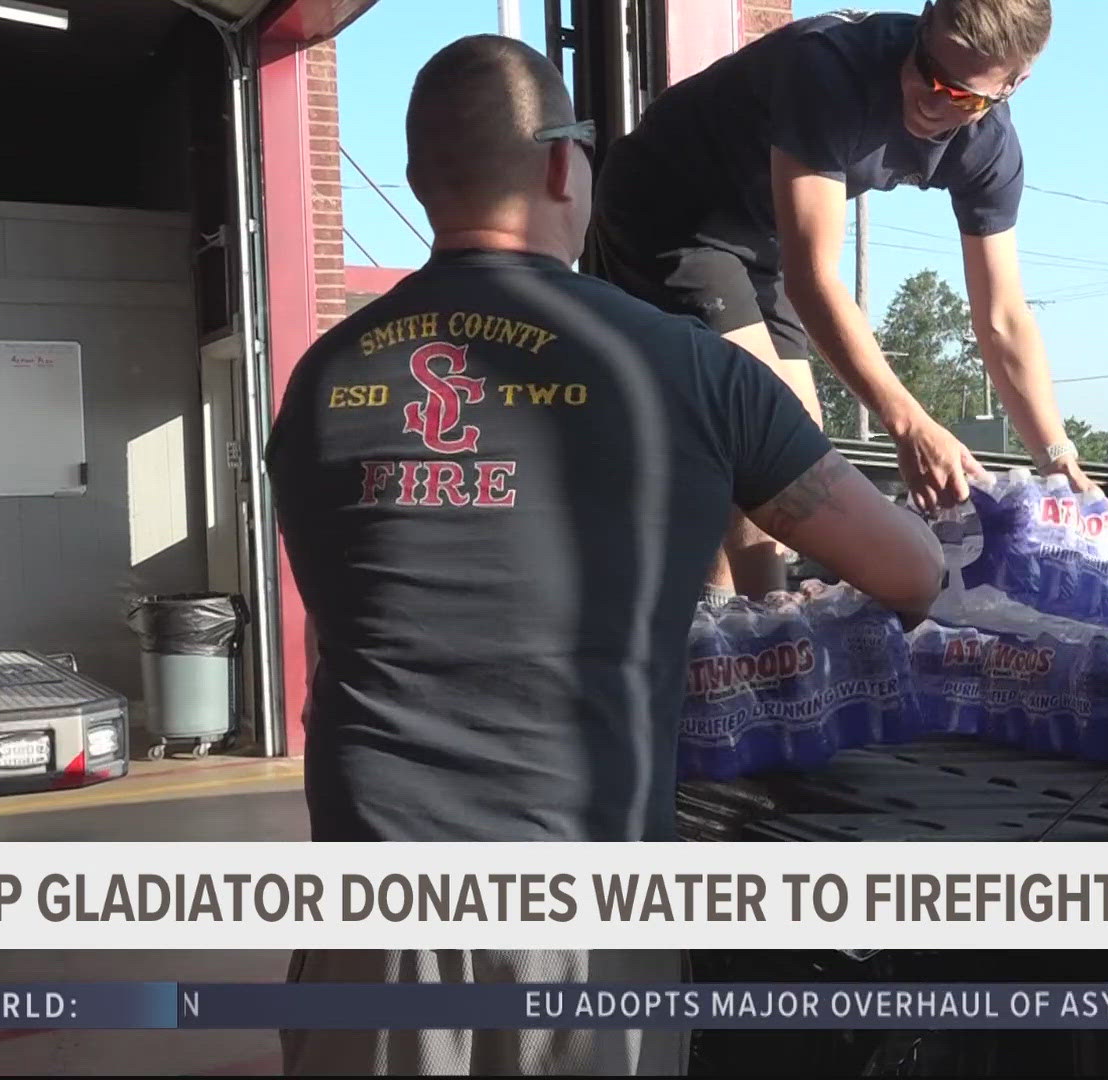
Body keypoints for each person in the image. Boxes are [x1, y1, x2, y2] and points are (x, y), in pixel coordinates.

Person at [266, 34, 945, 1077]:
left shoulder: (322, 379)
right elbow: (908, 571)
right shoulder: (689, 368)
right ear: (559, 164)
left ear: (415, 179)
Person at [586, 0, 1089, 602]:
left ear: (1014, 84)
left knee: (796, 440)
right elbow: (813, 277)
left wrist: (1058, 461)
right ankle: (752, 629)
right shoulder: (828, 70)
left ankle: (745, 619)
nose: (929, 99)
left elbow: (1003, 318)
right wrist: (908, 425)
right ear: (924, 20)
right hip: (668, 206)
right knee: (764, 431)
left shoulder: (991, 150)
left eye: (960, 95)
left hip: (760, 233)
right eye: (925, 67)